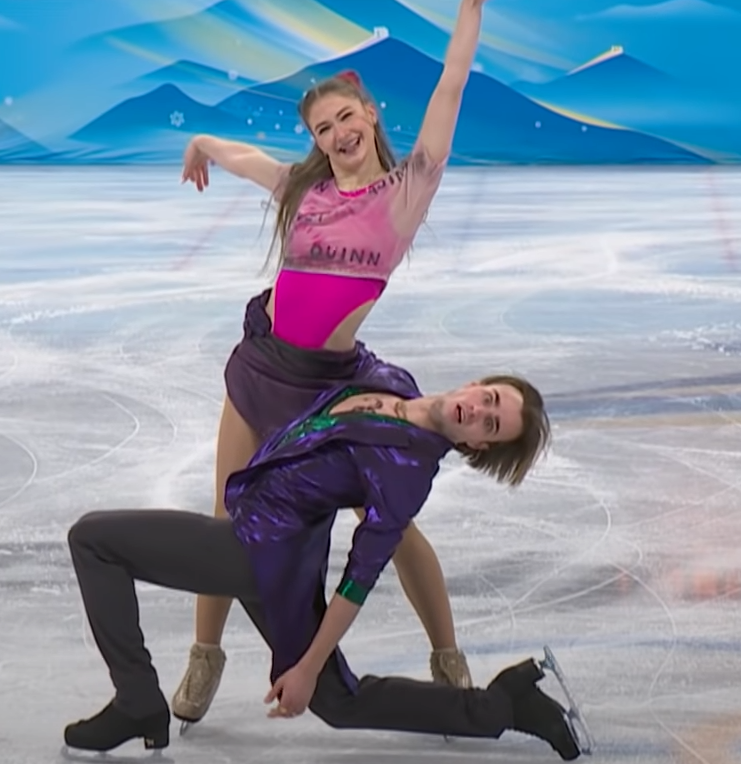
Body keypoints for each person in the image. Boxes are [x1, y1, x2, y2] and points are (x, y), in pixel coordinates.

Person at [172, 0, 491, 723]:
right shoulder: (305, 190)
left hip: (328, 393)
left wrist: (469, 14)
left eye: (347, 118)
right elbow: (252, 161)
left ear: (371, 114)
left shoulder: (406, 191)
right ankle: (204, 655)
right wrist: (203, 141)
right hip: (261, 370)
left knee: (389, 519)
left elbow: (451, 86)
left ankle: (446, 656)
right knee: (227, 511)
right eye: (323, 128)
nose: (339, 134)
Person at [61, 359, 582, 760]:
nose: (479, 412)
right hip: (285, 552)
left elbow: (358, 580)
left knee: (94, 540)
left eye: (491, 425)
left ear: (476, 446)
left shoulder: (407, 472)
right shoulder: (390, 379)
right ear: (476, 382)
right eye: (489, 399)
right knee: (337, 702)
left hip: (251, 552)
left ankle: (137, 700)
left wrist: (307, 667)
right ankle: (502, 704)